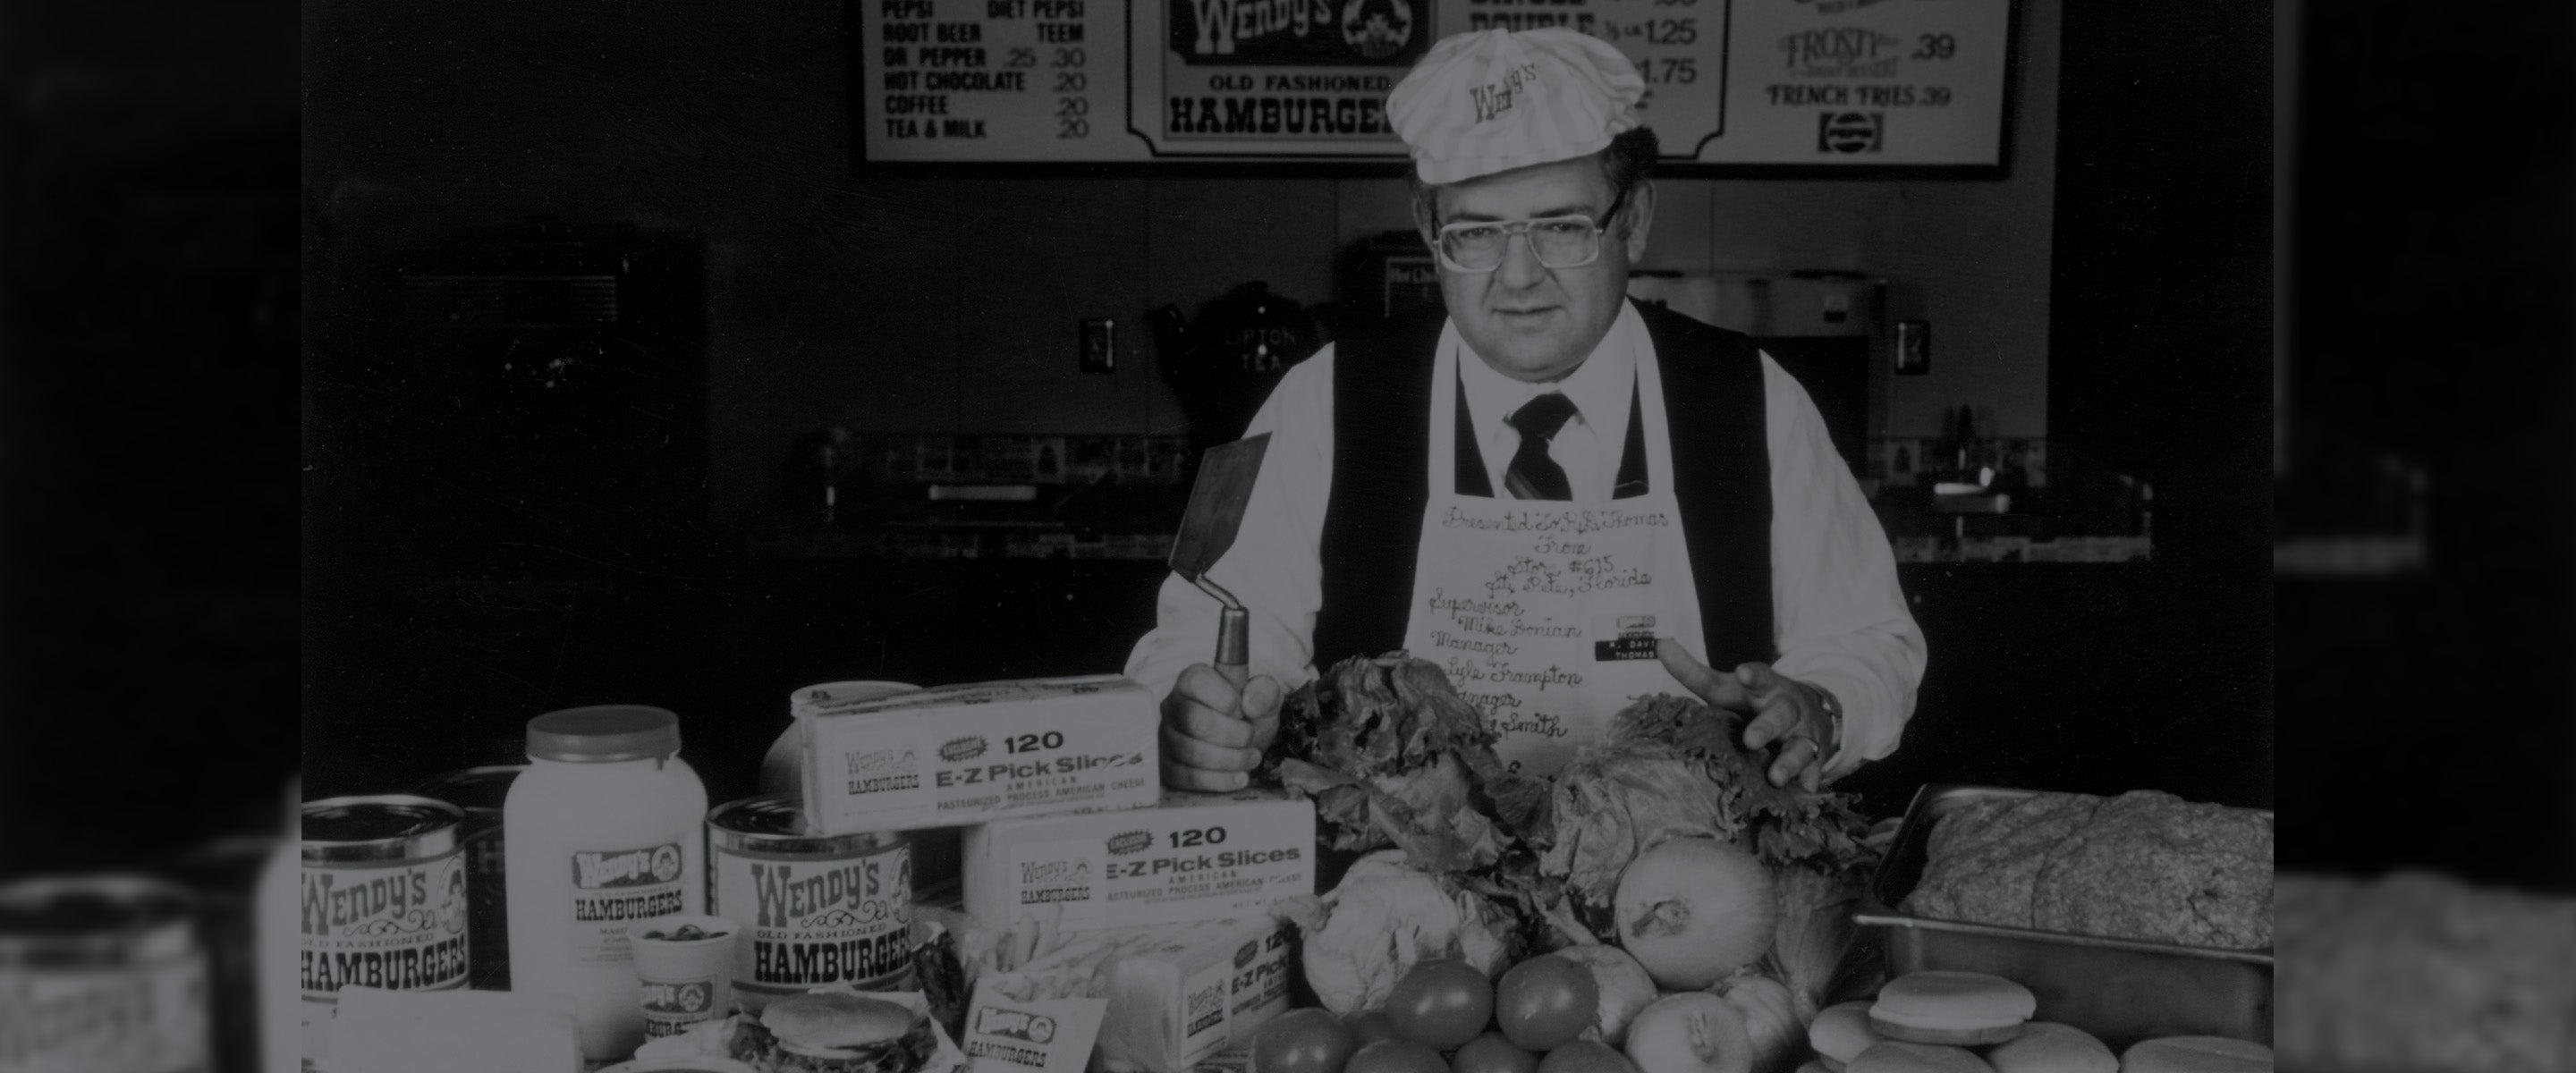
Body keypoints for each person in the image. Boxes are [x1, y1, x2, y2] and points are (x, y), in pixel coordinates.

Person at [1126, 28, 1924, 793]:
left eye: (1562, 227)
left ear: (1635, 219)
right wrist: (1197, 712)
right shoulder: (1319, 396)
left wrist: (1819, 707)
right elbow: (1212, 625)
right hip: (1405, 898)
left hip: (1683, 899)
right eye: (1474, 233)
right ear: (1426, 226)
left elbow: (1866, 639)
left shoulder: (1751, 395)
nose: (1517, 277)